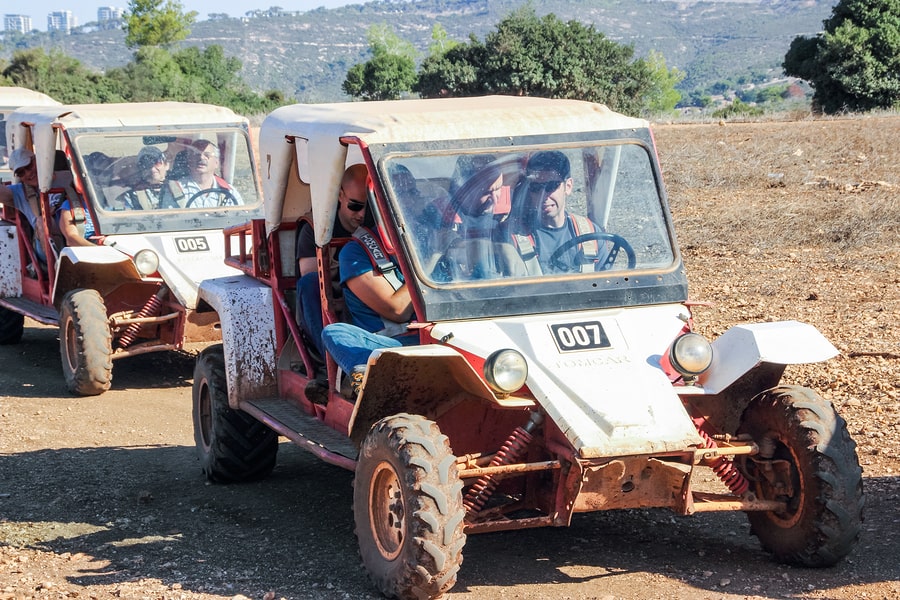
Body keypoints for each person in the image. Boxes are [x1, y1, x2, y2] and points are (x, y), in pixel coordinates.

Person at [320, 224, 417, 399]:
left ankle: (373, 374)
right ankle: (371, 377)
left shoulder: (452, 239)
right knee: (334, 332)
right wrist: (426, 264)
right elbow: (398, 310)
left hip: (444, 336)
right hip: (394, 344)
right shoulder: (355, 253)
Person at [295, 163, 369, 358]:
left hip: (368, 292)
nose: (361, 214)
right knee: (309, 283)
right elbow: (312, 278)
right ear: (340, 196)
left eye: (368, 206)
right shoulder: (316, 229)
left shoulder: (377, 223)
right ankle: (330, 359)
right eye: (355, 206)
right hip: (334, 295)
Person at [511, 150, 605, 274]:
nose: (543, 196)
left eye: (551, 186)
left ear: (568, 186)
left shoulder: (591, 233)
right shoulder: (513, 238)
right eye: (536, 188)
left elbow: (607, 283)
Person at [0, 148, 53, 267]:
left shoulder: (66, 179)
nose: (28, 174)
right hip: (46, 244)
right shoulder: (21, 192)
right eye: (21, 173)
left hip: (71, 231)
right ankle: (57, 268)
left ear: (37, 161)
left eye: (29, 166)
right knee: (41, 221)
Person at [177, 139, 242, 208]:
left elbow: (243, 216)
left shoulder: (230, 192)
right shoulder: (177, 190)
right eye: (196, 154)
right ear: (189, 160)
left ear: (216, 163)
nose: (201, 157)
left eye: (207, 155)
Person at [115, 146, 180, 210]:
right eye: (146, 165)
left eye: (157, 163)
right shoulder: (131, 197)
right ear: (140, 170)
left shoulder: (182, 188)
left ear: (166, 165)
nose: (152, 169)